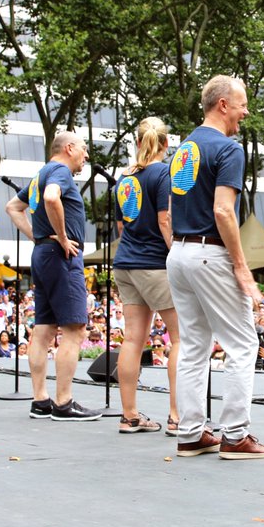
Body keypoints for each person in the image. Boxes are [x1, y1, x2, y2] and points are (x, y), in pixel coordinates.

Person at [166, 75, 264, 459]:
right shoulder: (229, 149)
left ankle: (192, 432)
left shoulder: (182, 149)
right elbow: (223, 209)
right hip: (210, 252)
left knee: (194, 347)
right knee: (243, 344)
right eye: (242, 104)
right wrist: (242, 268)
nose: (246, 112)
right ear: (223, 105)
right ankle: (235, 435)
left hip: (179, 252)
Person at [6, 132, 101, 421]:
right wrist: (61, 237)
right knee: (74, 329)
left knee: (43, 329)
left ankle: (40, 400)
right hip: (62, 256)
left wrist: (38, 236)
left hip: (43, 254)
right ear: (69, 148)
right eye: (83, 150)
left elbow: (13, 206)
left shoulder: (40, 174)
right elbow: (51, 198)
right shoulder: (59, 171)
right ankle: (63, 402)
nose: (86, 156)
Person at [111, 117, 181, 434]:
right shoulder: (163, 173)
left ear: (138, 143)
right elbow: (165, 220)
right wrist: (176, 255)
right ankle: (177, 416)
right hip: (154, 264)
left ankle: (129, 415)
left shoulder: (123, 179)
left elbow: (122, 227)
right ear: (165, 144)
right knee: (182, 339)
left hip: (125, 263)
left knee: (133, 340)